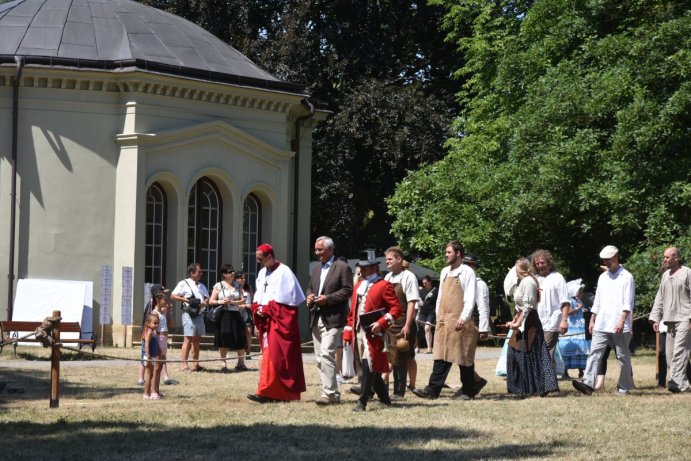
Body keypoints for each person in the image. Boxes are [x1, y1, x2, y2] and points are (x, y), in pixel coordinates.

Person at [413, 241, 480, 400]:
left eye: (449, 252)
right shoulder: (444, 272)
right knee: (441, 355)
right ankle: (432, 390)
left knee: (462, 356)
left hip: (460, 320)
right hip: (444, 320)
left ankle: (468, 390)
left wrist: (463, 317)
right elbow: (440, 297)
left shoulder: (467, 272)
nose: (446, 255)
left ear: (458, 254)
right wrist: (438, 316)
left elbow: (470, 298)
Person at [343, 251, 402, 412]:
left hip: (374, 333)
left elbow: (396, 308)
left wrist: (382, 323)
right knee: (369, 366)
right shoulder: (358, 286)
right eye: (361, 267)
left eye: (366, 267)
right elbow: (352, 312)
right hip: (358, 332)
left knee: (369, 364)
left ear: (374, 267)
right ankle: (385, 398)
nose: (363, 270)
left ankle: (362, 401)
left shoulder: (384, 285)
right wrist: (348, 330)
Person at [247, 244, 306, 403]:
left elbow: (286, 304)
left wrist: (266, 309)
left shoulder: (284, 272)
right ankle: (266, 390)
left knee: (278, 356)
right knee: (267, 354)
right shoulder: (262, 272)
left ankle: (278, 393)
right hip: (266, 320)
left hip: (279, 322)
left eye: (261, 258)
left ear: (269, 256)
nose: (259, 262)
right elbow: (259, 295)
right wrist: (257, 308)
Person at [573, 245, 635, 395]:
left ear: (616, 257)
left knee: (622, 356)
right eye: (604, 260)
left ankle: (624, 387)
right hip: (602, 322)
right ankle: (587, 384)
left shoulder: (626, 277)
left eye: (608, 260)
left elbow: (628, 302)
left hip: (619, 323)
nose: (606, 262)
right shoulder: (602, 277)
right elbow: (598, 301)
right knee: (594, 352)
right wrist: (593, 319)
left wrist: (622, 321)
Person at [305, 236, 353, 405]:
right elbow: (311, 287)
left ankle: (329, 394)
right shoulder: (317, 269)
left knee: (326, 354)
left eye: (320, 250)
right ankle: (333, 394)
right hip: (316, 317)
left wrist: (329, 298)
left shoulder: (342, 267)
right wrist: (309, 296)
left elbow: (348, 290)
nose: (317, 253)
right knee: (320, 358)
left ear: (330, 249)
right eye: (316, 250)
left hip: (333, 319)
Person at [504, 258, 559, 397]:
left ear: (519, 269)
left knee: (530, 354)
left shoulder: (528, 282)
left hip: (530, 322)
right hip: (524, 321)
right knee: (515, 353)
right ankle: (523, 387)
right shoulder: (524, 281)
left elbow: (527, 306)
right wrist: (514, 320)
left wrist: (518, 323)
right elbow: (520, 306)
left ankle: (536, 387)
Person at [648, 247, 691, 393]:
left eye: (667, 257)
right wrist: (655, 318)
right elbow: (660, 297)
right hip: (669, 320)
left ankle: (675, 383)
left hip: (685, 318)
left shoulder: (687, 272)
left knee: (680, 351)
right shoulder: (665, 275)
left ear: (676, 258)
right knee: (670, 354)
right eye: (664, 257)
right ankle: (682, 385)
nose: (664, 259)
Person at [383, 246, 420, 399]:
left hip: (403, 323)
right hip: (389, 323)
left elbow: (412, 302)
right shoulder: (387, 278)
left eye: (390, 259)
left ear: (399, 259)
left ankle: (399, 391)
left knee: (400, 357)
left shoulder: (409, 276)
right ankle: (383, 389)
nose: (387, 262)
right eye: (386, 260)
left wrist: (407, 325)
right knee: (388, 357)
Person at [531, 250, 570, 364]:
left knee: (546, 352)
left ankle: (548, 380)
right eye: (537, 263)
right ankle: (546, 380)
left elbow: (565, 302)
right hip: (537, 321)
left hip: (553, 321)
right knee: (539, 353)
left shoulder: (557, 278)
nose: (540, 266)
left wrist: (564, 320)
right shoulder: (535, 279)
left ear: (549, 263)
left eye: (542, 263)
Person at [171, 263, 210, 372]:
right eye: (199, 272)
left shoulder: (202, 285)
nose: (201, 274)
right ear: (192, 273)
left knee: (197, 340)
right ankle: (184, 364)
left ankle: (196, 364)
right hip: (189, 314)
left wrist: (204, 302)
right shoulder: (183, 283)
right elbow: (173, 295)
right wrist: (185, 300)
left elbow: (207, 297)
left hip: (200, 314)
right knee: (188, 338)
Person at [461, 252, 490, 396]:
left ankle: (472, 384)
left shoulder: (480, 284)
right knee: (460, 356)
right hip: (462, 323)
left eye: (468, 264)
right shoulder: (462, 282)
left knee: (465, 356)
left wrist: (484, 328)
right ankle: (476, 381)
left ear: (473, 266)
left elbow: (483, 307)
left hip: (474, 323)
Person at [209, 264, 248, 372]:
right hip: (223, 314)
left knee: (240, 336)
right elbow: (211, 301)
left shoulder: (237, 285)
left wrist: (233, 302)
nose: (232, 273)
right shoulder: (218, 285)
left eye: (233, 271)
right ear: (224, 274)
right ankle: (223, 363)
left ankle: (241, 362)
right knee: (223, 337)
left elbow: (243, 300)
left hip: (235, 313)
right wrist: (221, 301)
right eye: (230, 271)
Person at [137, 284, 171, 385]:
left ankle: (165, 377)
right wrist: (150, 336)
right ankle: (140, 378)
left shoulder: (161, 308)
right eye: (163, 293)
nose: (165, 296)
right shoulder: (151, 306)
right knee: (145, 357)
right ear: (157, 296)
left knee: (158, 357)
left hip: (156, 337)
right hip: (149, 336)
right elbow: (148, 322)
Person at [558, 279, 591, 379]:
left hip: (579, 327)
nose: (582, 293)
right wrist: (578, 309)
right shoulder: (570, 300)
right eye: (580, 291)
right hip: (572, 328)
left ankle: (582, 371)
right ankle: (565, 372)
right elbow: (567, 312)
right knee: (568, 349)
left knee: (581, 350)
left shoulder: (579, 301)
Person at [151, 292, 178, 386]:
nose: (166, 301)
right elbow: (153, 330)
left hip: (164, 338)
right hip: (159, 338)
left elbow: (172, 325)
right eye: (164, 300)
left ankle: (165, 378)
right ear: (158, 301)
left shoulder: (162, 313)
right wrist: (156, 343)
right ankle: (154, 384)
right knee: (158, 361)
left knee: (162, 359)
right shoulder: (154, 313)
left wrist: (168, 312)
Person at [141, 313, 162, 400]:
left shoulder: (153, 332)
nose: (157, 325)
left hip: (153, 356)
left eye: (158, 323)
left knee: (152, 374)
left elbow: (156, 343)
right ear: (148, 323)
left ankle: (150, 392)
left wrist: (159, 350)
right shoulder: (148, 332)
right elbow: (146, 344)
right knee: (149, 375)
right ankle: (146, 393)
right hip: (148, 356)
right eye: (155, 323)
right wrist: (148, 355)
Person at [235, 272, 255, 359]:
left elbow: (253, 300)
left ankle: (248, 350)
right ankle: (240, 350)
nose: (243, 280)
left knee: (249, 331)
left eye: (244, 278)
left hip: (247, 311)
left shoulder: (248, 287)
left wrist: (252, 306)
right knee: (239, 331)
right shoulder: (234, 288)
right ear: (236, 279)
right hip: (238, 310)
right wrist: (242, 305)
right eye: (241, 278)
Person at [418, 275, 437, 354]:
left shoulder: (436, 291)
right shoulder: (422, 291)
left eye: (425, 283)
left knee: (427, 328)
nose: (424, 285)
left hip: (431, 312)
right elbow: (419, 299)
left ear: (430, 282)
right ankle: (416, 347)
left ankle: (429, 348)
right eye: (423, 283)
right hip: (422, 312)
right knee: (420, 328)